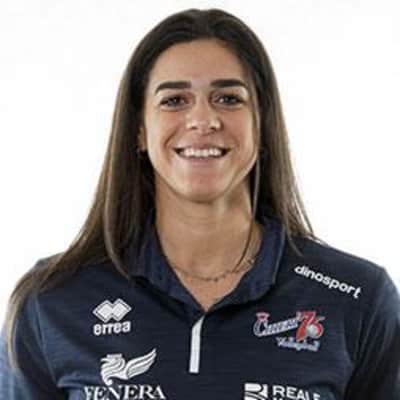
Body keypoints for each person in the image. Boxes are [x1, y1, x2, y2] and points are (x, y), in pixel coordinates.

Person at [1, 8, 399, 400]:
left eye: (228, 98)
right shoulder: (52, 301)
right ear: (139, 130)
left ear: (262, 124)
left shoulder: (357, 297)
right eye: (175, 100)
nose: (203, 120)